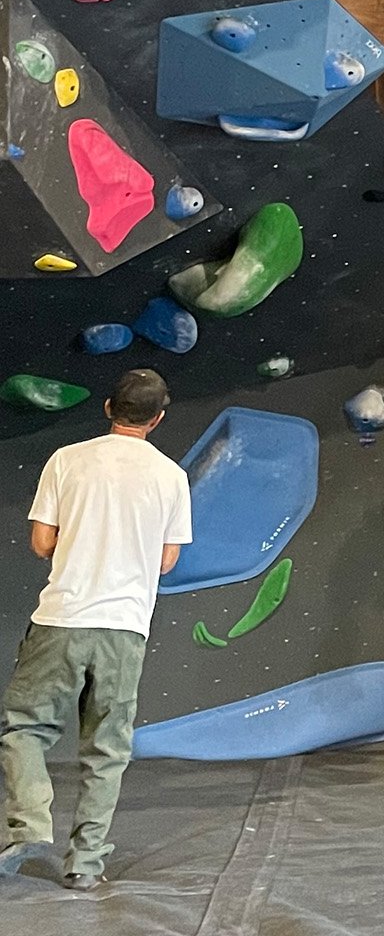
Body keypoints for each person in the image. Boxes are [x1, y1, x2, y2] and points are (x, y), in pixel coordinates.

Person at [0, 369, 190, 891]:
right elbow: (167, 561)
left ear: (108, 407)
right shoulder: (171, 476)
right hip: (125, 628)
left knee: (22, 729)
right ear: (158, 418)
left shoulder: (67, 460)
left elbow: (42, 543)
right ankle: (84, 863)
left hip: (62, 618)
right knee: (107, 749)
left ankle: (31, 823)